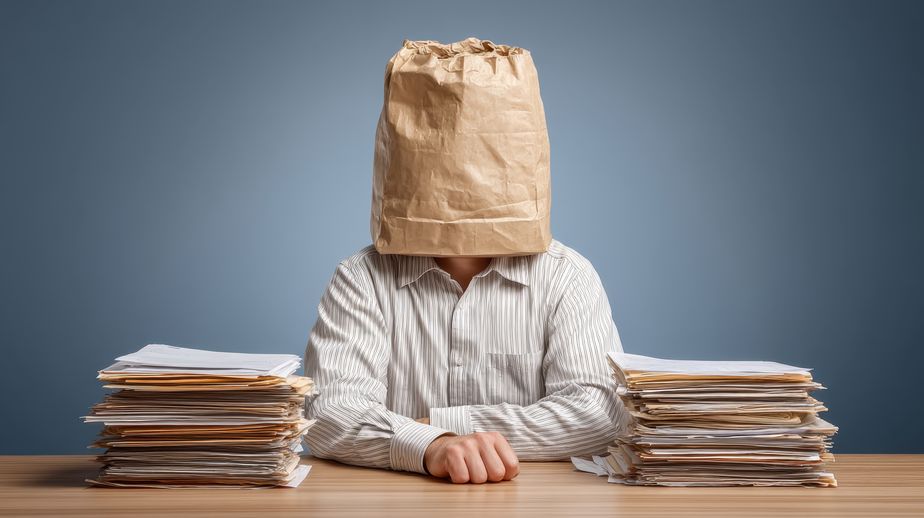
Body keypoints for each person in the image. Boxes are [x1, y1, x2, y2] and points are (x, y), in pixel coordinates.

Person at [304, 38, 629, 484]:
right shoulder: (362, 279)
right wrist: (432, 445)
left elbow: (598, 415)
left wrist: (436, 425)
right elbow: (327, 415)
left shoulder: (566, 278)